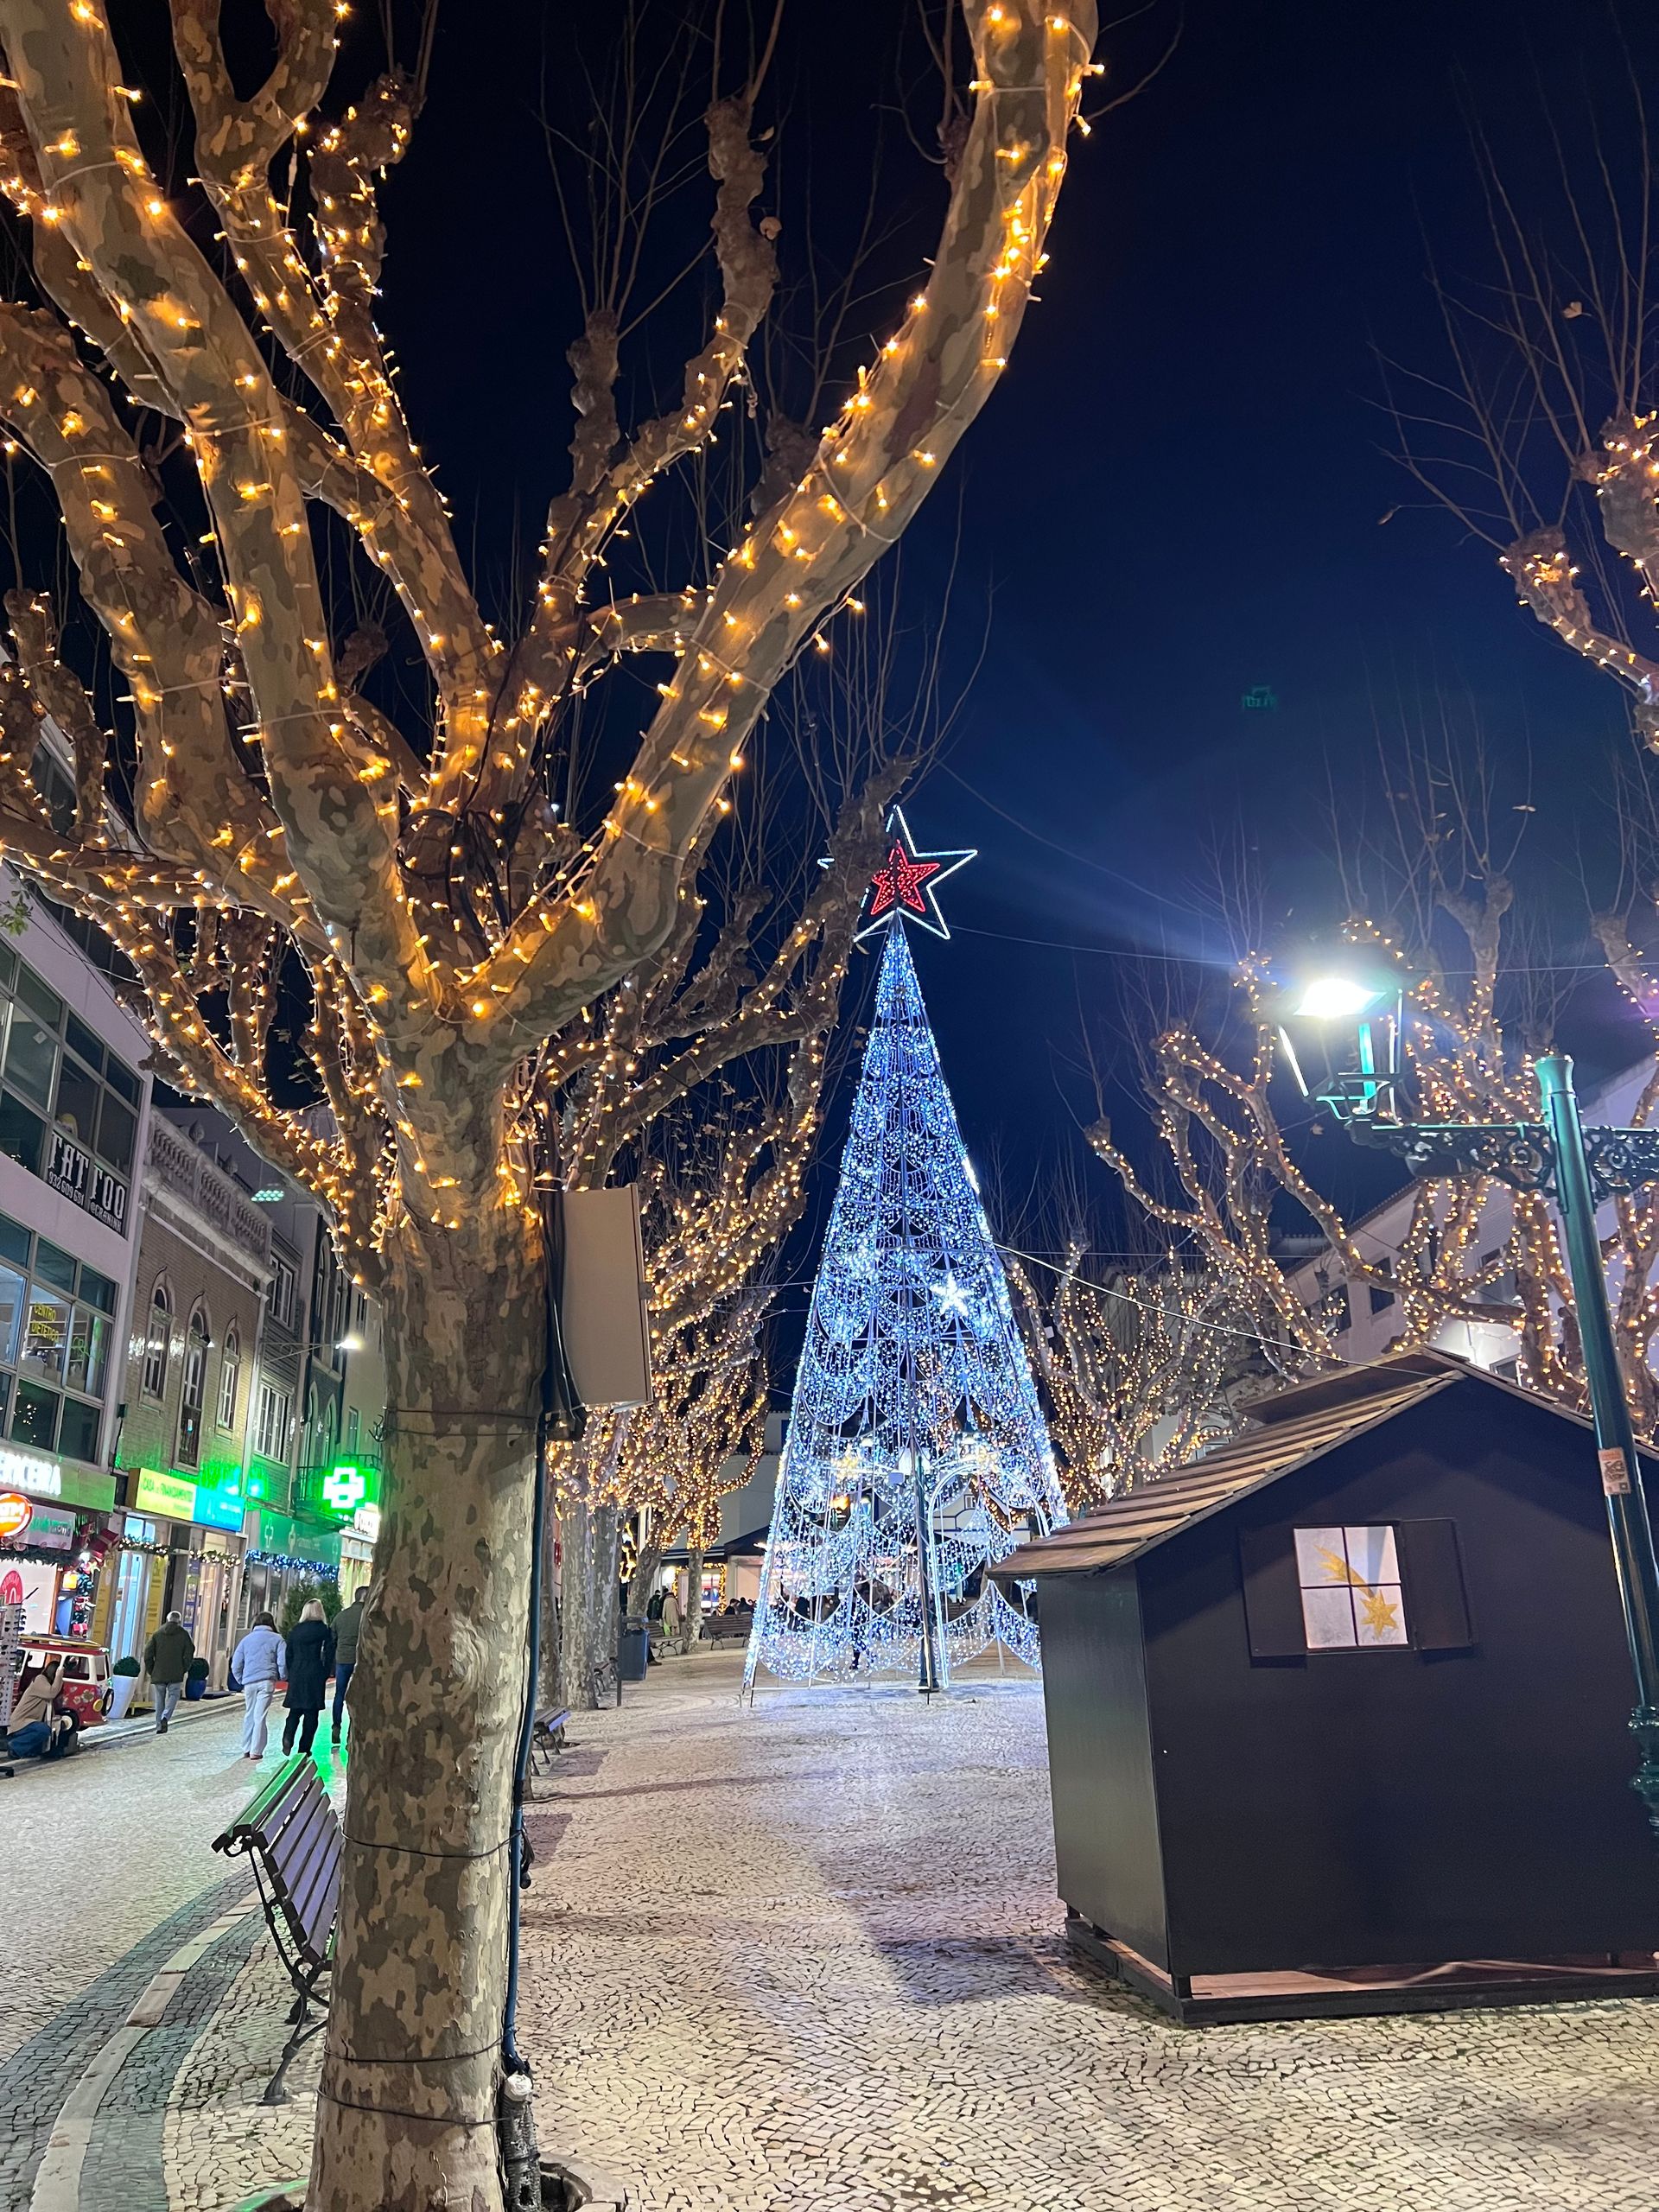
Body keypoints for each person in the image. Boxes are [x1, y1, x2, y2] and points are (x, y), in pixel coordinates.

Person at [282, 1599, 335, 1757]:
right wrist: (326, 1672)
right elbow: (329, 1653)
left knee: (295, 1710)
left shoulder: (296, 1630)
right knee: (312, 1713)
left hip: (297, 1671)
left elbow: (288, 1653)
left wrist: (291, 1671)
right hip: (315, 1672)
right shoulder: (324, 1631)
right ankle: (304, 1748)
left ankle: (288, 1736)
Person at [231, 1611, 286, 1761]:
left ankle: (246, 1748)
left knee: (249, 1713)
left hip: (249, 1682)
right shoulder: (278, 1639)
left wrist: (241, 1679)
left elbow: (236, 1664)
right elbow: (282, 1662)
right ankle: (256, 1750)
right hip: (266, 1681)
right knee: (260, 1715)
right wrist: (282, 1676)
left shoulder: (246, 1639)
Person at [7, 1656, 77, 1758]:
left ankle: (27, 1751)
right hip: (20, 1723)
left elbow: (49, 1702)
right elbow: (51, 1693)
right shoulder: (40, 1679)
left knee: (46, 1731)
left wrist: (54, 1717)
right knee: (43, 1730)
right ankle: (15, 1747)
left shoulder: (45, 1683)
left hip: (29, 1723)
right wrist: (59, 1676)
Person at [328, 1583, 367, 1747]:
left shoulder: (341, 1616)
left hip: (342, 1659)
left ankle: (336, 1726)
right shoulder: (368, 1616)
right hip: (362, 1660)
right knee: (360, 1696)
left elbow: (332, 1637)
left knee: (340, 1694)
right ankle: (352, 1732)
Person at [144, 1611, 194, 1734]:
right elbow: (189, 1652)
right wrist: (184, 1668)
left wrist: (152, 1670)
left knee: (159, 1700)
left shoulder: (157, 1634)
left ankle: (159, 1726)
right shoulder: (184, 1635)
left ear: (167, 1619)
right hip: (176, 1672)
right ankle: (165, 1717)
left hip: (159, 1672)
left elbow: (148, 1654)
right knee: (174, 1695)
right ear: (179, 1621)